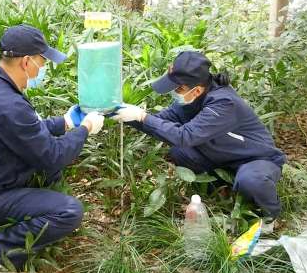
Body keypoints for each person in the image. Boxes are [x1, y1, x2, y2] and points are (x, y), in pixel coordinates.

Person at [0, 24, 105, 273]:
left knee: (52, 170)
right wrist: (85, 129)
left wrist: (64, 122)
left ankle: (31, 217)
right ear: (26, 62)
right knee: (69, 211)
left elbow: (24, 132)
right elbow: (53, 155)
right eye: (42, 62)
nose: (42, 69)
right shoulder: (8, 105)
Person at [112, 51, 286, 232]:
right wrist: (122, 114)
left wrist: (142, 116)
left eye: (178, 88)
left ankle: (268, 217)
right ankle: (220, 196)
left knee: (252, 180)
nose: (174, 92)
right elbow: (160, 122)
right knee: (180, 152)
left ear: (196, 90)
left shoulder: (224, 103)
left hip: (256, 160)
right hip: (222, 157)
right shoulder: (190, 100)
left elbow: (185, 136)